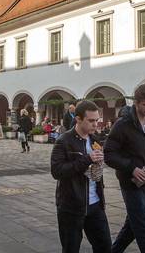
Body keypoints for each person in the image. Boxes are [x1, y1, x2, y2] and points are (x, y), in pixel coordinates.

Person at [104, 84, 145, 253]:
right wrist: (132, 168)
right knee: (144, 228)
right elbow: (109, 154)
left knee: (132, 226)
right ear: (136, 103)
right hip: (132, 184)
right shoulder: (123, 124)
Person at [51, 100, 111, 253]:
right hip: (71, 205)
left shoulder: (95, 140)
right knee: (71, 248)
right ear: (78, 119)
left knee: (104, 246)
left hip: (95, 203)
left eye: (97, 120)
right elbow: (57, 171)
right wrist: (87, 159)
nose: (95, 124)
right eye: (91, 121)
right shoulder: (64, 141)